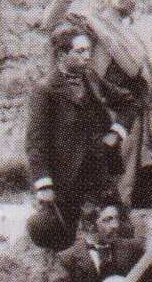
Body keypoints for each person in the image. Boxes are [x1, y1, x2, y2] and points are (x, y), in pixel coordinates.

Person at [43, 0, 152, 208]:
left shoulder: (131, 33)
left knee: (122, 177)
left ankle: (117, 230)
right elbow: (49, 24)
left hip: (125, 111)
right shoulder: (89, 21)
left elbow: (133, 66)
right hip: (93, 105)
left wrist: (97, 26)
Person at [24, 24, 126, 249]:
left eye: (88, 51)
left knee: (116, 235)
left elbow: (129, 102)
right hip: (66, 180)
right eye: (80, 51)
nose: (87, 56)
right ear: (62, 54)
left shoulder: (91, 79)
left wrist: (116, 133)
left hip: (100, 175)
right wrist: (44, 185)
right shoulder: (45, 89)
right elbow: (35, 143)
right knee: (64, 240)